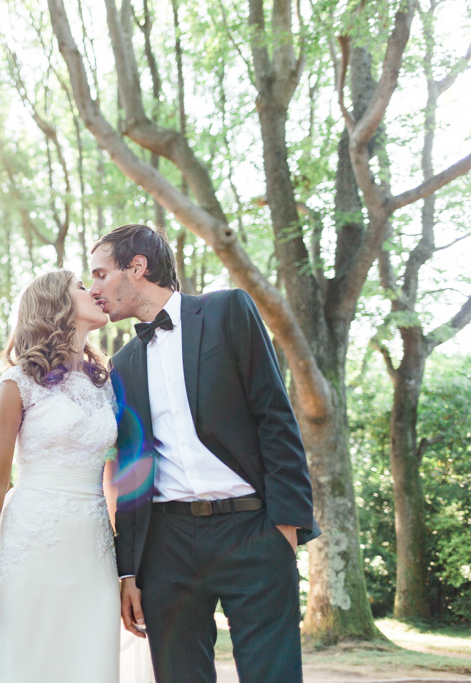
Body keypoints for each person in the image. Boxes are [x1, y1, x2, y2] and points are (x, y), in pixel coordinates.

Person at [89, 224, 320, 683]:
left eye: (100, 274)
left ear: (137, 267)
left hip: (253, 528)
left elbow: (274, 416)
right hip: (166, 543)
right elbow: (133, 470)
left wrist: (286, 528)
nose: (94, 289)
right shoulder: (123, 364)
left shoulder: (227, 310)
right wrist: (130, 570)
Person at [0, 269, 123, 682]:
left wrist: (127, 561)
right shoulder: (18, 381)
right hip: (31, 536)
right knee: (30, 659)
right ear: (56, 304)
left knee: (88, 659)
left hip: (94, 544)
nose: (94, 292)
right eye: (81, 287)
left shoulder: (107, 381)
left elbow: (117, 474)